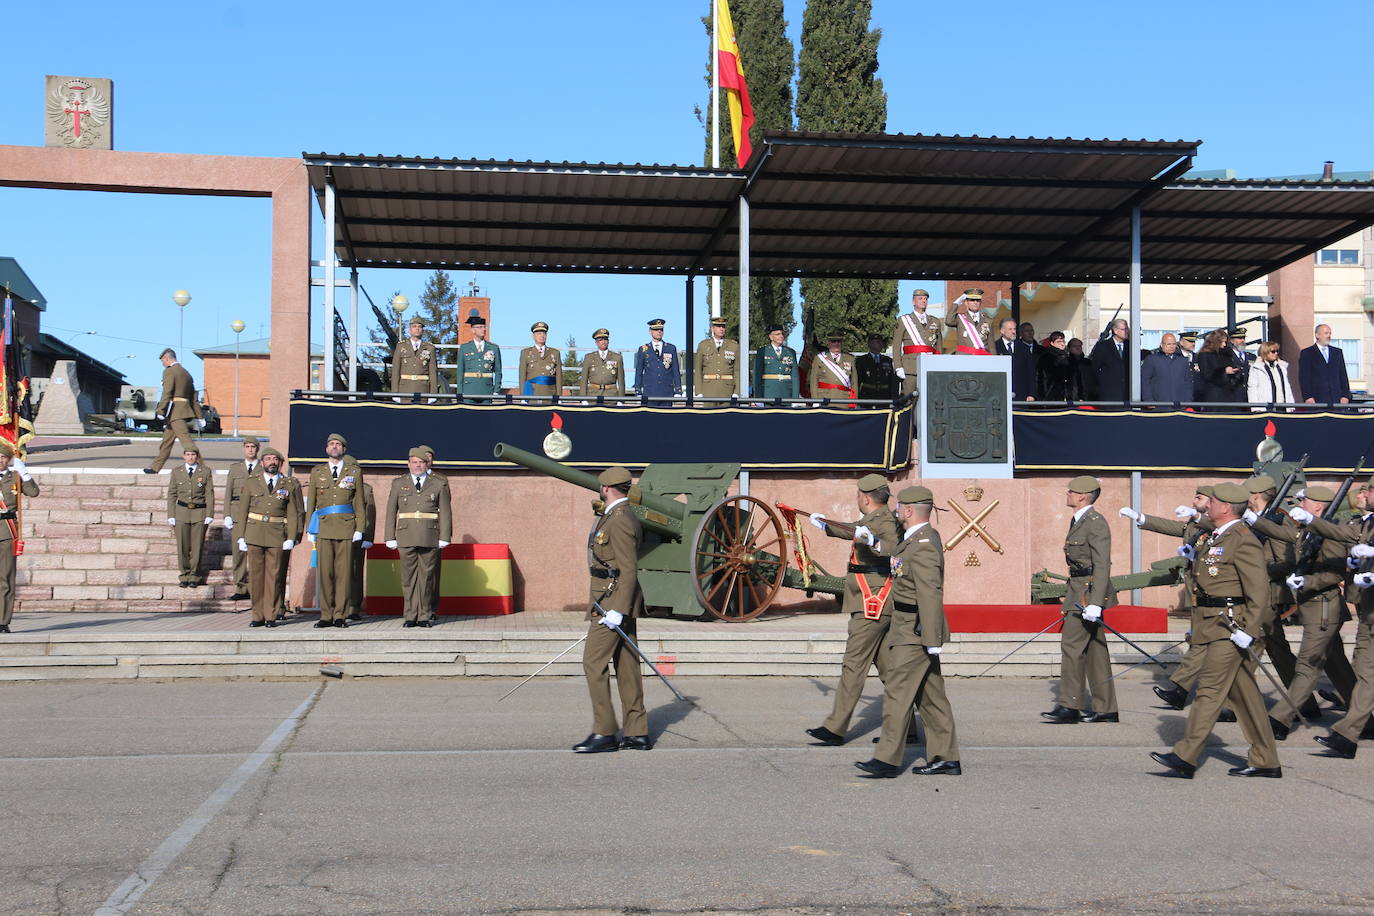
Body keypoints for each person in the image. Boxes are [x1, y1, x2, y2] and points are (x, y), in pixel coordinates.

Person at [1150, 482, 1282, 778]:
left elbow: (1259, 590)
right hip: (1210, 623)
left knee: (1208, 690)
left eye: (1212, 502)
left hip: (1230, 625)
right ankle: (1266, 759)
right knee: (1244, 695)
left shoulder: (1243, 539)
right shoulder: (1214, 536)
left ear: (1225, 507)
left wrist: (1249, 628)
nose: (1206, 505)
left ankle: (1185, 756)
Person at [854, 485, 960, 778]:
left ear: (910, 510)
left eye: (899, 507)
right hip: (908, 625)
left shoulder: (924, 544)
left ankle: (887, 759)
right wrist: (873, 540)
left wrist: (931, 635)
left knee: (898, 693)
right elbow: (896, 555)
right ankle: (946, 757)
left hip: (914, 629)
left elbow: (930, 593)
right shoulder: (916, 539)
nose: (896, 511)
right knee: (931, 697)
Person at [804, 474, 902, 746]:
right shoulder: (873, 520)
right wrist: (826, 525)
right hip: (871, 599)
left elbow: (893, 546)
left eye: (858, 495)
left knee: (854, 664)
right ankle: (907, 728)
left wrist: (873, 542)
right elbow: (855, 529)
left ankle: (836, 727)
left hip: (873, 601)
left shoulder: (884, 522)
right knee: (889, 671)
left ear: (866, 497)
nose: (857, 499)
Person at [1263, 486, 1358, 738]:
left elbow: (1337, 572)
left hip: (1325, 608)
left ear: (1318, 507)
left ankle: (1280, 720)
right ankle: (1366, 720)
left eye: (1304, 501)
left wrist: (1308, 583)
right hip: (1314, 608)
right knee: (1338, 666)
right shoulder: (1306, 531)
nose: (1300, 503)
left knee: (1307, 666)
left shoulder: (1332, 534)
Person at [574, 466, 649, 753]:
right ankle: (637, 731)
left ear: (605, 488)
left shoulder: (619, 519)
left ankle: (604, 731)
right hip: (615, 598)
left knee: (593, 664)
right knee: (627, 666)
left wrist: (617, 610)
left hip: (612, 602)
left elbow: (628, 569)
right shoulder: (617, 514)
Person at [1042, 476, 1118, 723]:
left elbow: (1102, 564)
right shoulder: (1080, 520)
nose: (1067, 493)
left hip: (1086, 593)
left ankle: (1069, 705)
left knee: (1072, 647)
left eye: (1071, 491)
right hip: (1079, 589)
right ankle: (1106, 708)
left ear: (1082, 496)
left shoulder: (1094, 522)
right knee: (1096, 651)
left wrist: (1095, 602)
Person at [1315, 495, 1374, 758]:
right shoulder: (1366, 523)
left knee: (1368, 676)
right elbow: (1338, 531)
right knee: (1364, 672)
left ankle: (1347, 734)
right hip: (1369, 610)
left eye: (1368, 490)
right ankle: (1354, 730)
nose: (1363, 496)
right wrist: (1311, 521)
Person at [232, 447, 301, 628]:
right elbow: (243, 511)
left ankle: (271, 615)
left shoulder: (288, 484)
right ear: (262, 463)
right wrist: (241, 536)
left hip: (277, 534)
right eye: (268, 459)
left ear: (280, 463)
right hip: (254, 533)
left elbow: (293, 513)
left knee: (274, 577)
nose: (272, 462)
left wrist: (291, 537)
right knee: (255, 577)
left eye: (275, 459)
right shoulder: (251, 482)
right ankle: (257, 615)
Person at [385, 447, 453, 628]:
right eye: (414, 462)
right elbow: (391, 510)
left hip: (429, 535)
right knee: (408, 578)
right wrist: (389, 536)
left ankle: (424, 615)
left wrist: (445, 536)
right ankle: (410, 615)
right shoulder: (399, 483)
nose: (417, 465)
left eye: (421, 462)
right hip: (405, 535)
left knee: (426, 578)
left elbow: (446, 512)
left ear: (426, 464)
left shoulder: (438, 484)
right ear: (408, 464)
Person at [305, 433, 365, 628]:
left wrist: (360, 528)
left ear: (344, 449)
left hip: (346, 527)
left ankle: (340, 614)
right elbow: (311, 502)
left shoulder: (354, 472)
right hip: (323, 527)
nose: (334, 447)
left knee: (344, 573)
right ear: (326, 449)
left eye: (338, 444)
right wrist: (309, 529)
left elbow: (360, 503)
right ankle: (325, 614)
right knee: (325, 573)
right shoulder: (317, 472)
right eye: (331, 444)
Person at [143, 348, 204, 475]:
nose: (162, 364)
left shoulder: (170, 372)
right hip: (182, 411)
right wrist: (199, 416)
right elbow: (194, 398)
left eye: (162, 361)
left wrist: (160, 410)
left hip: (176, 412)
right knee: (166, 442)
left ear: (167, 358)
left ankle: (202, 469)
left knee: (187, 442)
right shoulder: (186, 373)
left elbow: (167, 392)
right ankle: (155, 467)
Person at [0, 441, 38, 633]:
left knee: (5, 577)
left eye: (3, 457)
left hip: (6, 530)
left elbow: (33, 492)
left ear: (9, 459)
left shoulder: (14, 477)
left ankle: (2, 620)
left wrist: (25, 474)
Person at [166, 444, 214, 589]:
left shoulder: (204, 471)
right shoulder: (177, 471)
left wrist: (209, 514)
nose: (190, 457)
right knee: (182, 546)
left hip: (199, 513)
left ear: (197, 456)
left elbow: (209, 494)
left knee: (197, 546)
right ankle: (184, 574)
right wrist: (171, 514)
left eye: (193, 455)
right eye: (187, 454)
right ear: (183, 456)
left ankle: (194, 575)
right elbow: (172, 494)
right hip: (181, 512)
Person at [223, 437, 261, 600]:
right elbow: (228, 493)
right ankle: (240, 587)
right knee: (238, 553)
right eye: (247, 447)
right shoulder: (235, 468)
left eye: (253, 447)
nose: (250, 450)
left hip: (255, 513)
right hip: (238, 513)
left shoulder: (263, 467)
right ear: (243, 449)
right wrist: (226, 514)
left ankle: (254, 588)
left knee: (254, 553)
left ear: (257, 449)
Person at [890, 288, 942, 396]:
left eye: (925, 299)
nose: (923, 301)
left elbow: (939, 346)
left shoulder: (935, 321)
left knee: (929, 398)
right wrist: (898, 366)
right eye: (920, 298)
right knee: (909, 400)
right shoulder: (904, 320)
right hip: (910, 368)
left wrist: (939, 365)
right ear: (913, 302)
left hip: (930, 366)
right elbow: (896, 346)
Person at [1298, 323, 1352, 405]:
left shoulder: (1337, 353)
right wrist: (1308, 397)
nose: (1329, 336)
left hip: (1336, 400)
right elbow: (1304, 377)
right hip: (1316, 400)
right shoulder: (1307, 353)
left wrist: (1345, 396)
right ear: (1317, 335)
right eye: (1326, 333)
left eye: (1330, 333)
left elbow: (1343, 375)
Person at [347, 482, 376, 621]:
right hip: (335, 533)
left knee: (355, 573)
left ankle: (353, 607)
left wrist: (368, 537)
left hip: (357, 536)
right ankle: (335, 606)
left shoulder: (365, 489)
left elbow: (370, 514)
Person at [693, 316, 739, 400]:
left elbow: (737, 371)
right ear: (712, 329)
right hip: (708, 389)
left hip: (727, 389)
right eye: (718, 326)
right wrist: (699, 391)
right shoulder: (703, 345)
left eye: (723, 327)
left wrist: (737, 391)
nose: (721, 329)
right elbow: (698, 370)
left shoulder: (733, 346)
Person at [1139, 333, 1194, 404]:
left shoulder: (1182, 361)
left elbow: (1188, 382)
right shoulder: (1152, 359)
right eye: (1168, 344)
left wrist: (1187, 401)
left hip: (1179, 405)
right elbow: (1145, 381)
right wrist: (1148, 401)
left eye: (1174, 344)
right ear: (1161, 345)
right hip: (1158, 404)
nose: (1171, 346)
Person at [633, 318, 681, 399]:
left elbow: (675, 371)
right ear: (650, 331)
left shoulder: (671, 348)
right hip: (649, 392)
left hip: (667, 392)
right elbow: (639, 372)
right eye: (656, 329)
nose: (659, 331)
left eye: (661, 329)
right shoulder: (644, 349)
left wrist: (678, 390)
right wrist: (638, 390)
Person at [391, 316, 439, 394]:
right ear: (410, 329)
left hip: (423, 389)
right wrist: (395, 392)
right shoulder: (401, 346)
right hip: (404, 389)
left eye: (419, 327)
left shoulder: (430, 348)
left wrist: (433, 393)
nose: (417, 329)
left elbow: (433, 372)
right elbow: (395, 370)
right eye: (414, 326)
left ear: (423, 330)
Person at [456, 314, 501, 397]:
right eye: (480, 327)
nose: (483, 329)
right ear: (473, 330)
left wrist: (496, 390)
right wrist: (460, 391)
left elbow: (498, 371)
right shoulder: (465, 348)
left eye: (484, 327)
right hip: (469, 389)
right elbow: (460, 371)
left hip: (487, 389)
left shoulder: (493, 348)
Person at [1196, 328, 1244, 405]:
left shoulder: (1226, 354)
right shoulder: (1204, 355)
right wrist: (1223, 371)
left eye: (1225, 342)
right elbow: (1206, 375)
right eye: (1222, 342)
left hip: (1229, 392)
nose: (1224, 345)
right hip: (1214, 394)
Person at [1088, 319, 1131, 402]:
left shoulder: (1130, 346)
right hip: (1109, 394)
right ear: (1115, 330)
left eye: (1127, 329)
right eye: (1123, 329)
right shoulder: (1103, 346)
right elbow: (1095, 369)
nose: (1126, 332)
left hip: (1127, 394)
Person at [752, 324, 799, 399]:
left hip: (786, 393)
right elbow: (757, 376)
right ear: (771, 337)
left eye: (782, 334)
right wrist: (758, 398)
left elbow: (795, 377)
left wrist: (795, 398)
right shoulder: (763, 351)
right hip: (768, 393)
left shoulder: (790, 352)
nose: (781, 336)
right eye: (778, 334)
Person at [942, 288, 993, 355]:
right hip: (963, 358)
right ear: (966, 302)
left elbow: (991, 345)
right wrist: (957, 303)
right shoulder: (960, 318)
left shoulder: (988, 320)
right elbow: (948, 321)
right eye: (972, 300)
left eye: (977, 300)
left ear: (980, 302)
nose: (975, 302)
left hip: (982, 358)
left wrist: (993, 359)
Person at [807, 332, 856, 400]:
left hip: (844, 399)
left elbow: (854, 382)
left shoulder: (850, 359)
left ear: (842, 342)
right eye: (833, 341)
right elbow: (813, 381)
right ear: (828, 343)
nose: (836, 344)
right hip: (824, 399)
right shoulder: (819, 358)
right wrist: (815, 400)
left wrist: (854, 401)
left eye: (839, 341)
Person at [1246, 340, 1294, 411]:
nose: (1276, 353)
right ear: (1265, 352)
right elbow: (1252, 389)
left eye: (1277, 351)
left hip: (1282, 406)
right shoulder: (1257, 368)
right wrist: (1255, 408)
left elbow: (1287, 387)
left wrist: (1291, 405)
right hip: (1265, 407)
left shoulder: (1281, 367)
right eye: (1273, 351)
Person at [518, 321, 562, 397]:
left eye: (544, 333)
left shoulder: (555, 353)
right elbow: (522, 376)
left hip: (550, 392)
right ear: (533, 336)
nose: (542, 336)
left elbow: (559, 377)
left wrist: (559, 396)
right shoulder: (525, 353)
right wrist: (522, 396)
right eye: (539, 334)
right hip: (532, 392)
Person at [580, 328, 626, 397]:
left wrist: (621, 399)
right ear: (596, 342)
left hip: (611, 396)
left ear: (608, 341)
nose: (603, 342)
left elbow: (621, 380)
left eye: (605, 339)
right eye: (600, 340)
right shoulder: (589, 357)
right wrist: (583, 398)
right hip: (593, 395)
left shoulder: (617, 358)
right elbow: (584, 380)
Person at [854, 332, 898, 401]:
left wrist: (894, 397)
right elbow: (857, 380)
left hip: (884, 396)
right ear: (869, 344)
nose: (878, 344)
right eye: (875, 342)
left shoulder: (887, 360)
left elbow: (892, 380)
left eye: (880, 342)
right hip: (867, 396)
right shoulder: (861, 360)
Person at [1227, 327, 1254, 402]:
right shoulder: (1226, 356)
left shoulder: (1252, 357)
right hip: (1232, 398)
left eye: (1243, 338)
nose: (1242, 341)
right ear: (1232, 341)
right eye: (1239, 338)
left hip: (1249, 398)